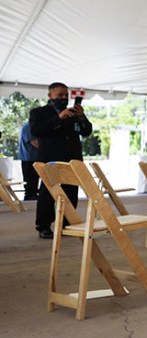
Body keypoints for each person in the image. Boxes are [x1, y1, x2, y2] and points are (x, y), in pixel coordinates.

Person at [30, 82, 92, 238]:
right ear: (50, 96)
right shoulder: (39, 112)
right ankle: (44, 226)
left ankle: (67, 224)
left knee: (71, 193)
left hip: (72, 159)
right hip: (50, 159)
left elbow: (86, 131)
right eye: (60, 95)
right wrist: (59, 118)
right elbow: (37, 130)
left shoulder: (73, 112)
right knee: (48, 194)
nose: (64, 98)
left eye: (66, 95)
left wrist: (82, 117)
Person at [17, 121, 40, 200]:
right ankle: (30, 196)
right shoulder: (28, 127)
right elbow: (34, 142)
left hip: (32, 157)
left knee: (33, 179)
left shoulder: (29, 126)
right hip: (29, 158)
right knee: (30, 180)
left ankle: (32, 194)